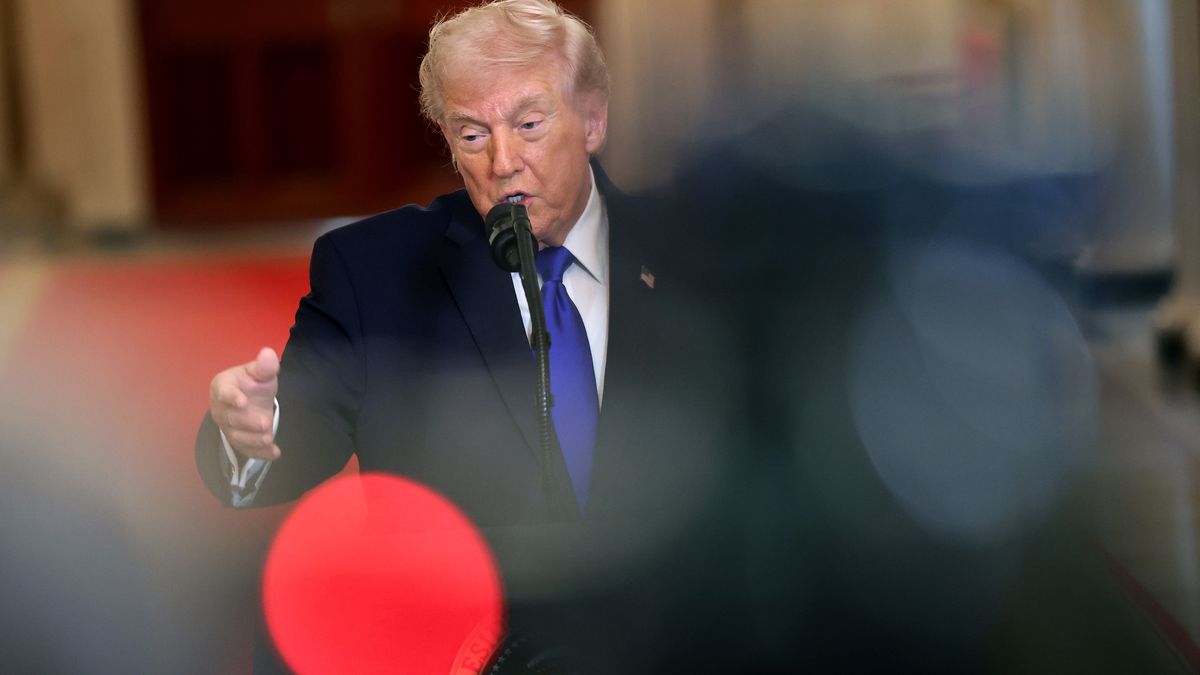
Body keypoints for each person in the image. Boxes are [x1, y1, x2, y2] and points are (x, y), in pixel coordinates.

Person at [196, 1, 728, 670]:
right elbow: (293, 439)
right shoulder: (376, 271)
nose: (504, 161)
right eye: (472, 135)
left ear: (592, 119)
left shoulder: (698, 253)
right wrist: (250, 429)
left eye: (529, 124)